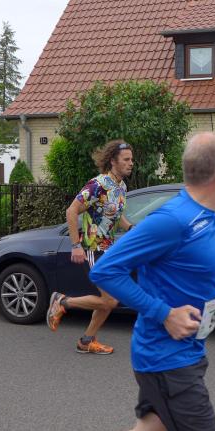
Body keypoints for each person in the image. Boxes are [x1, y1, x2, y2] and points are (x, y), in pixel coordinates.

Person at [87, 132, 215, 431]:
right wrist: (164, 313)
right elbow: (105, 270)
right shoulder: (173, 220)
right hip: (167, 361)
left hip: (186, 353)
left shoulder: (205, 216)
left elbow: (189, 265)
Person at [46, 140, 134, 355]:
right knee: (110, 300)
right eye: (126, 159)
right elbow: (71, 211)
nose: (131, 163)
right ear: (113, 161)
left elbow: (116, 214)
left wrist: (132, 228)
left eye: (131, 159)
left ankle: (86, 340)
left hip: (109, 249)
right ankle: (63, 301)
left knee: (108, 300)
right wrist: (75, 245)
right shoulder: (97, 185)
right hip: (94, 247)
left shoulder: (121, 186)